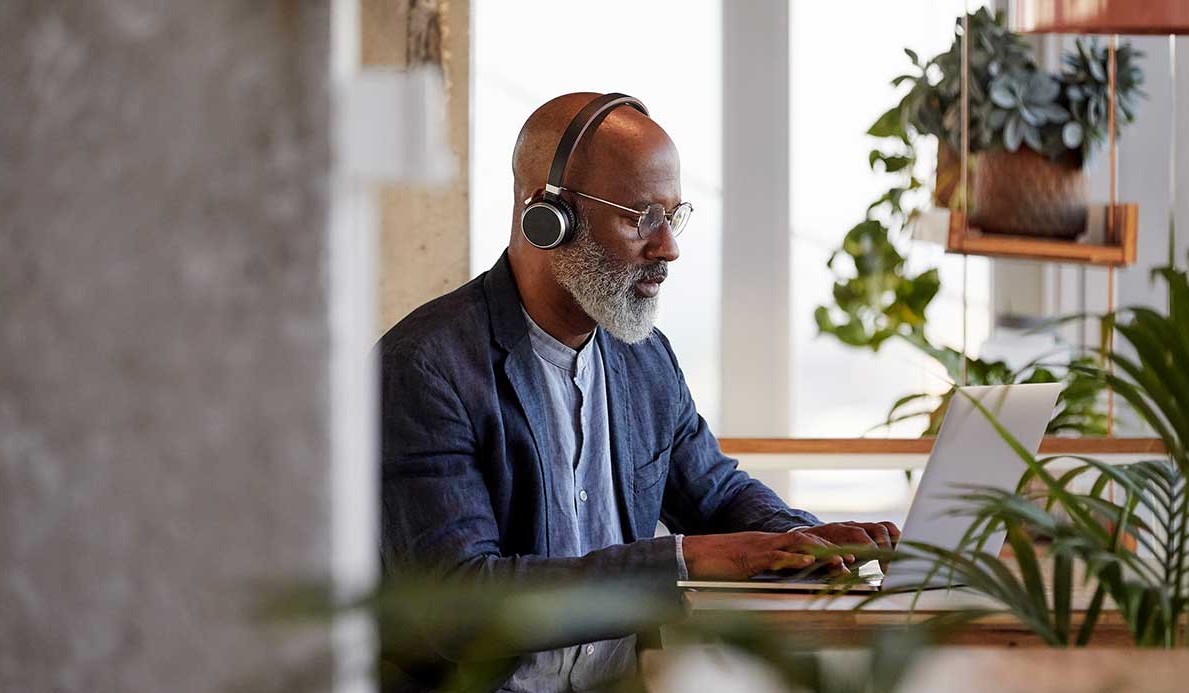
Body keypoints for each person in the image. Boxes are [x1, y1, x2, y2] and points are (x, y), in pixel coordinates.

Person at [377, 92, 900, 692]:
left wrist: (801, 541)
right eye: (640, 216)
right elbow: (456, 606)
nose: (668, 247)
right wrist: (684, 560)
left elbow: (716, 492)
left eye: (672, 217)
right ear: (548, 218)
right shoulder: (425, 368)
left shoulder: (643, 357)